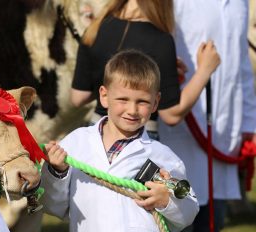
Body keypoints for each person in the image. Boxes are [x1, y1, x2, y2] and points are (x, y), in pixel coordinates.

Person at [41, 50, 199, 232]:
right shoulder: (76, 143)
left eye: (142, 101)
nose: (132, 110)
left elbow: (188, 211)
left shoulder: (163, 157)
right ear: (104, 96)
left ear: (155, 102)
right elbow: (54, 206)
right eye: (123, 99)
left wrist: (166, 200)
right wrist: (56, 172)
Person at [158, 0, 256, 232]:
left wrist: (249, 122)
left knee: (210, 226)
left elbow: (240, 65)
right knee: (176, 226)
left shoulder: (239, 3)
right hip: (180, 129)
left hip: (224, 131)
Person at [71, 0, 220, 139]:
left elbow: (78, 97)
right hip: (138, 139)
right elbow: (171, 114)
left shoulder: (96, 27)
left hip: (97, 133)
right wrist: (205, 70)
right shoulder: (160, 40)